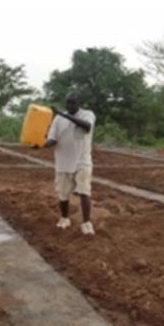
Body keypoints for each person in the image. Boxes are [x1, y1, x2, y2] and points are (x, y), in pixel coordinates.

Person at [38, 92, 96, 235]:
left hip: (82, 161)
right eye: (67, 102)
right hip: (63, 162)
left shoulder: (87, 114)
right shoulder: (58, 119)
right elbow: (52, 139)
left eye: (72, 103)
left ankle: (86, 223)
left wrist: (63, 115)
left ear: (79, 103)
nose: (69, 105)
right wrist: (40, 144)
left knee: (84, 191)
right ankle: (65, 218)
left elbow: (87, 126)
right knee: (63, 193)